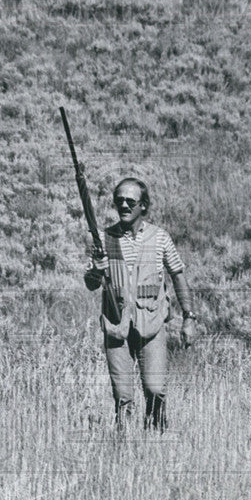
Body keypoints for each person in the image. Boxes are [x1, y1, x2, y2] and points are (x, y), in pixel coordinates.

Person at [84, 177, 196, 431]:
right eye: (119, 200)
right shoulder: (104, 239)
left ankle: (155, 439)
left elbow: (178, 274)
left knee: (155, 390)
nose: (123, 205)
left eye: (130, 201)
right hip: (117, 326)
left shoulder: (160, 238)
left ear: (143, 206)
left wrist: (189, 317)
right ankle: (124, 448)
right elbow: (91, 283)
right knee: (123, 397)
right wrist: (96, 271)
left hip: (152, 324)